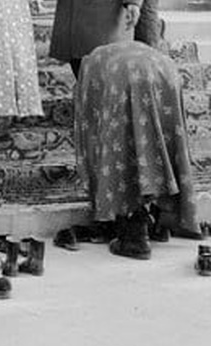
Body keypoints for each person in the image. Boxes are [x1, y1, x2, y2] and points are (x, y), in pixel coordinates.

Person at [73, 41, 199, 259]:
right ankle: (161, 219)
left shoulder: (90, 67)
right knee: (164, 136)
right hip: (166, 70)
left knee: (120, 140)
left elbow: (91, 127)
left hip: (126, 75)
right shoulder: (105, 55)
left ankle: (134, 227)